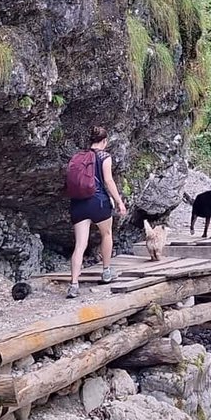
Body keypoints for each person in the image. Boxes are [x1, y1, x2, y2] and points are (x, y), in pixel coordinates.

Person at [67, 126, 125, 298]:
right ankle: (106, 271)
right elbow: (108, 181)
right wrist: (120, 202)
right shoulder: (104, 156)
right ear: (105, 141)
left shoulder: (79, 156)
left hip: (78, 204)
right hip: (98, 202)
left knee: (80, 245)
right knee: (106, 234)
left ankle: (74, 284)